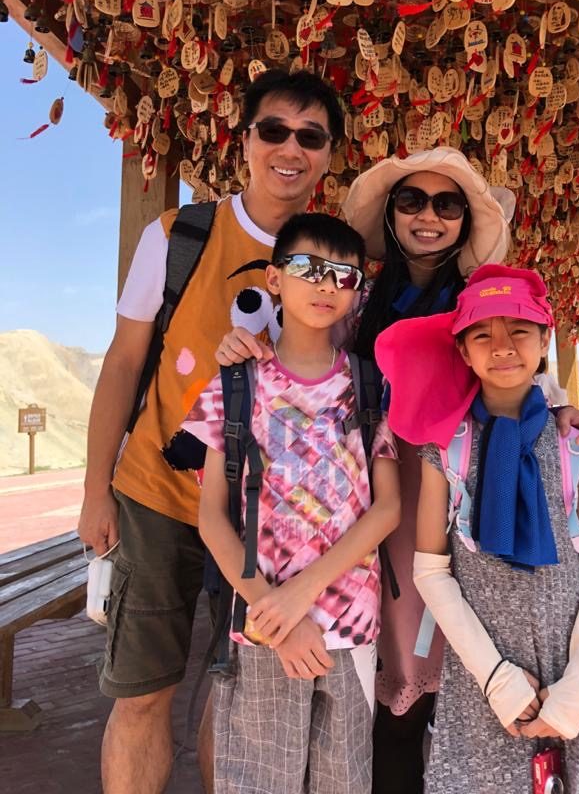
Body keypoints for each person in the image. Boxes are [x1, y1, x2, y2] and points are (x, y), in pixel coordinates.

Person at [216, 148, 579, 794]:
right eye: (411, 201)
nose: (429, 216)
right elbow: (304, 355)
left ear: (464, 220)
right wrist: (244, 348)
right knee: (391, 686)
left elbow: (525, 381)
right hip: (370, 505)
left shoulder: (481, 301)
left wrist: (568, 413)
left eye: (447, 204)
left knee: (464, 669)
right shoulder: (355, 301)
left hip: (463, 496)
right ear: (392, 215)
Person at [77, 69, 345, 794]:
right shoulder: (178, 236)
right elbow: (124, 361)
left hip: (265, 519)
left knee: (235, 700)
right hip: (159, 497)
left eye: (311, 137)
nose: (290, 149)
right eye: (274, 130)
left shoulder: (333, 263)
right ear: (245, 141)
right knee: (142, 694)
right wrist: (95, 491)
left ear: (327, 156)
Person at [375, 265, 579, 794]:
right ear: (462, 351)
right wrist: (495, 677)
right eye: (482, 334)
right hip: (481, 678)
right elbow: (431, 570)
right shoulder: (447, 448)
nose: (503, 346)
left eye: (520, 331)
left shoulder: (573, 443)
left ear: (544, 341)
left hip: (566, 671)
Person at [183, 213, 400, 793]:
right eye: (308, 268)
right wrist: (274, 611)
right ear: (275, 279)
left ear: (356, 293)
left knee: (344, 783)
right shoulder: (234, 385)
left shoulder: (371, 386)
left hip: (351, 626)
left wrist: (301, 595)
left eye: (344, 275)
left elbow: (387, 508)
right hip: (262, 625)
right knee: (261, 782)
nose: (326, 285)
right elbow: (211, 517)